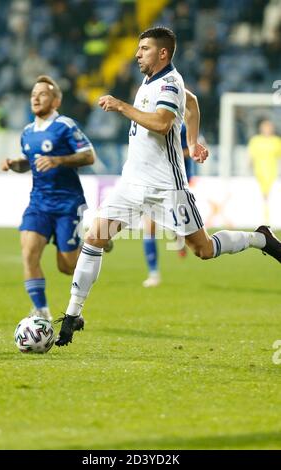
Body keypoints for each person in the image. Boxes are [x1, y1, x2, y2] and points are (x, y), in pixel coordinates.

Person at [55, 27, 281, 347]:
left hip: (167, 188)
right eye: (138, 48)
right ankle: (72, 314)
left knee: (203, 249)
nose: (137, 54)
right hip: (132, 182)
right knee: (94, 236)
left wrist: (121, 107)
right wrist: (192, 140)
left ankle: (261, 238)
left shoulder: (170, 83)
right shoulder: (153, 82)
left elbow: (162, 123)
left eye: (144, 49)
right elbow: (193, 103)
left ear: (162, 53)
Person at [1, 75, 96, 321]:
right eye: (33, 93)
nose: (35, 97)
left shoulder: (65, 125)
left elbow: (89, 156)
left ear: (55, 101)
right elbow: (30, 163)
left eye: (42, 94)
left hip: (68, 202)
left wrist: (58, 160)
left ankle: (94, 243)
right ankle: (41, 311)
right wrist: (15, 164)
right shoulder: (27, 132)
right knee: (29, 253)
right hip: (39, 204)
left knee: (66, 267)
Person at [142, 120, 194, 288]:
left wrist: (172, 151)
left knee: (175, 225)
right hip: (153, 180)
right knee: (149, 225)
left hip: (175, 181)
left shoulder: (182, 127)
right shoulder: (147, 123)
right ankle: (153, 273)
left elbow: (190, 150)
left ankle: (179, 240)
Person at [248, 119, 281, 223]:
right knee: (259, 198)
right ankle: (260, 220)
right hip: (258, 173)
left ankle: (270, 221)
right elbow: (250, 156)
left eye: (269, 127)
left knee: (271, 198)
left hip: (272, 173)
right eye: (265, 127)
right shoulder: (255, 140)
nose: (267, 129)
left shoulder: (276, 141)